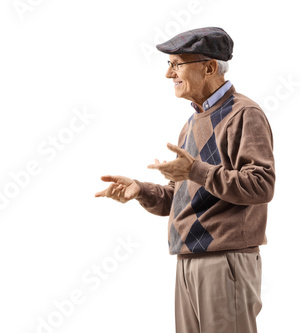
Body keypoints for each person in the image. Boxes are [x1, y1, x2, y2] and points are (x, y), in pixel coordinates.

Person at [95, 27, 275, 333]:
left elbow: (260, 185)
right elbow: (182, 194)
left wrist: (194, 170)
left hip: (225, 260)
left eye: (177, 64)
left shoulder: (244, 114)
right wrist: (141, 190)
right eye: (169, 65)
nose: (169, 74)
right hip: (189, 259)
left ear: (209, 67)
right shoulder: (192, 122)